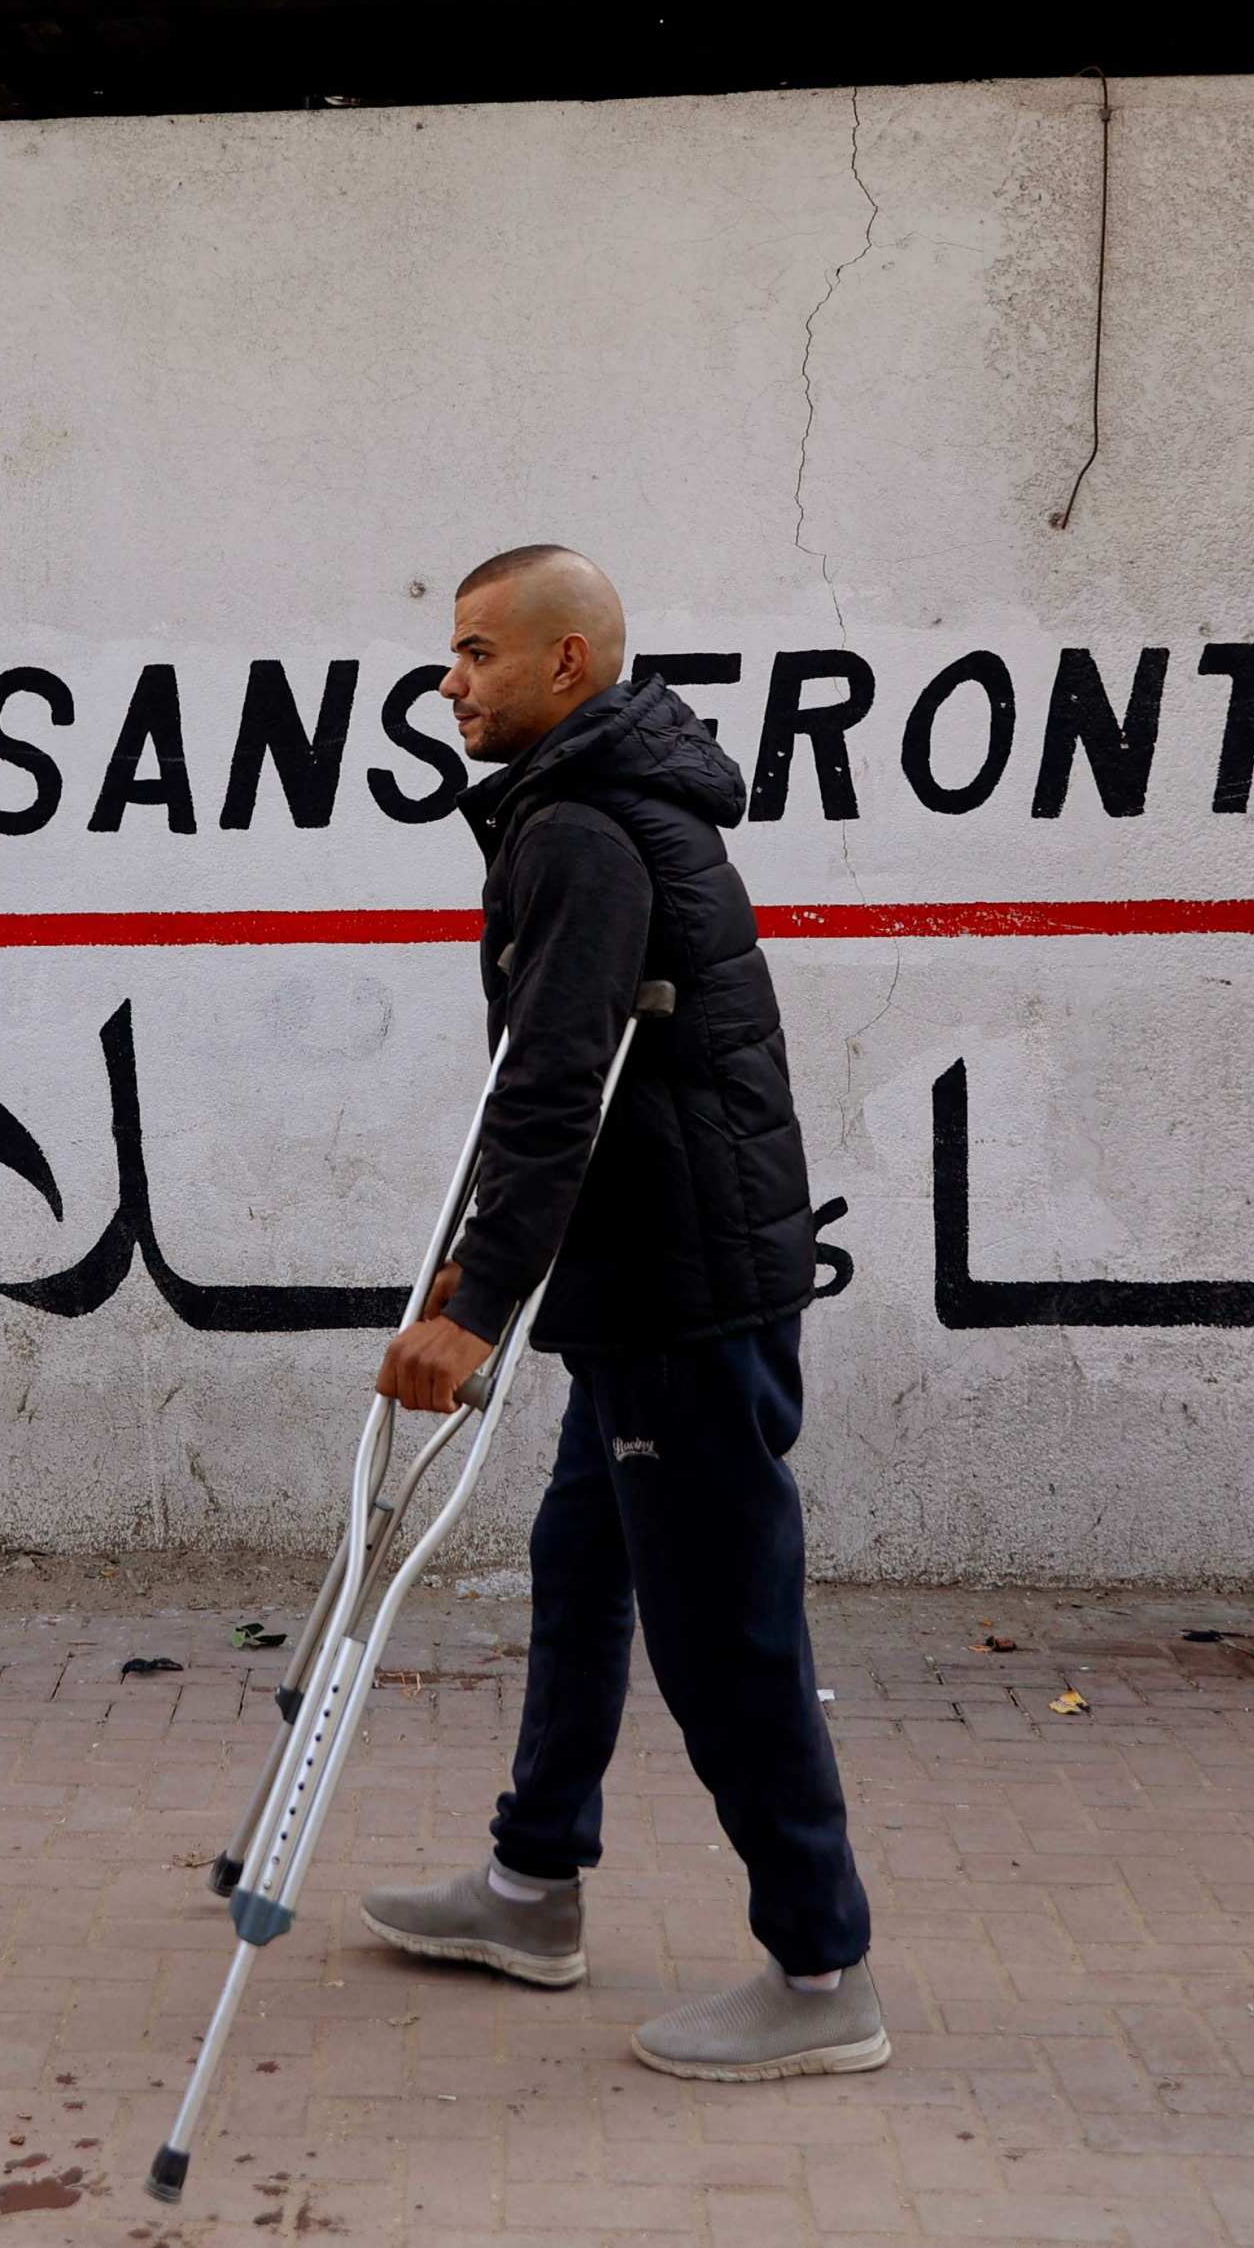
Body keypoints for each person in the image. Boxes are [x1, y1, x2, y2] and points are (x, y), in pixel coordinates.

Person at [358, 543, 884, 2082]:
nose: (449, 684)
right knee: (580, 1562)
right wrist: (495, 1265)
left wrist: (476, 1307)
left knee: (723, 1625)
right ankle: (533, 1883)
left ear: (568, 664)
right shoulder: (596, 806)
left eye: (476, 655)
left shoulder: (582, 827)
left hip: (679, 1291)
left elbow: (553, 1082)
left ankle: (820, 1965)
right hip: (648, 1274)